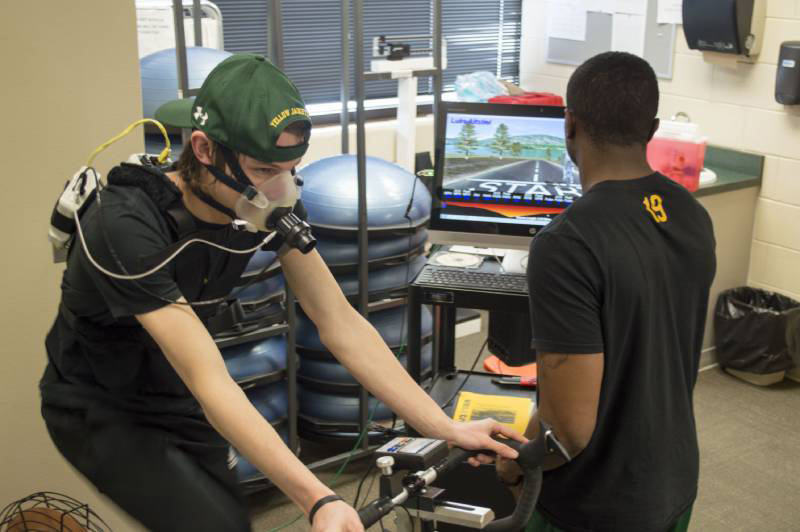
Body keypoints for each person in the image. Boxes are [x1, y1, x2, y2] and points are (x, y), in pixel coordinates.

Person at [41, 53, 521, 532]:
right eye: (264, 169)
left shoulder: (261, 204)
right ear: (205, 150)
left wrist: (445, 427)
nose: (281, 188)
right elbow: (208, 376)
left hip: (175, 390)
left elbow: (341, 324)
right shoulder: (125, 225)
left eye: (290, 168)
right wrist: (318, 500)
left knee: (232, 520)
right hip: (101, 405)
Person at [496, 52, 716, 531]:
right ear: (652, 128)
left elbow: (568, 430)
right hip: (673, 481)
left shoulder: (566, 243)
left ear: (568, 123)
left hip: (594, 507)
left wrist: (513, 461)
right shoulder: (692, 214)